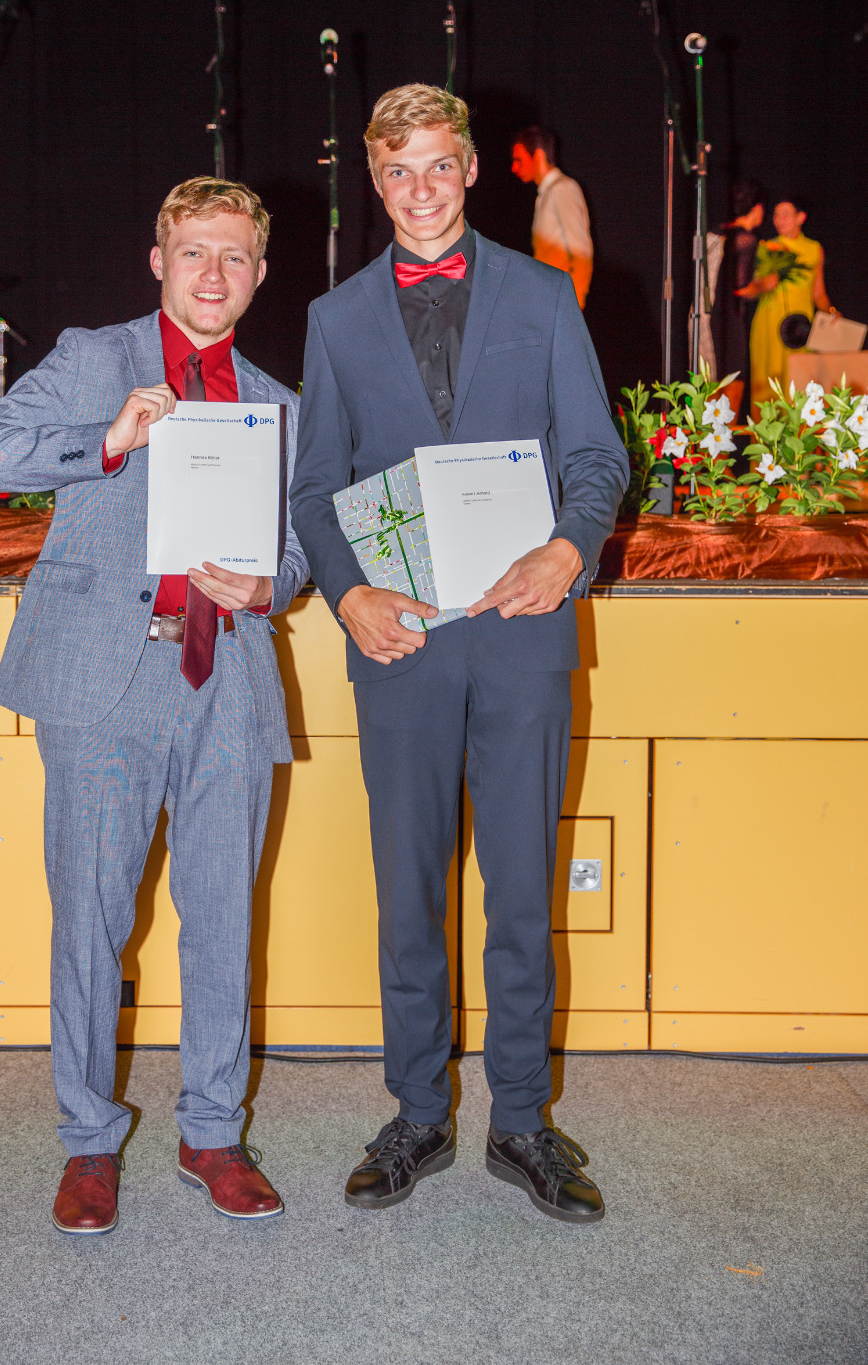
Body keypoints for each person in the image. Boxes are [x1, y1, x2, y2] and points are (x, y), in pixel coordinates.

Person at [291, 85, 628, 1223]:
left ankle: (522, 1120)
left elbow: (595, 458)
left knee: (521, 893)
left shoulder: (543, 293)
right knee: (407, 896)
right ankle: (418, 1112)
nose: (421, 189)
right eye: (399, 171)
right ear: (374, 181)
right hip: (400, 645)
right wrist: (347, 596)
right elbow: (313, 490)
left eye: (439, 165)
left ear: (473, 169)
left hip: (525, 635)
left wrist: (566, 551)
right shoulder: (335, 317)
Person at [0, 177, 307, 1234]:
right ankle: (88, 1142)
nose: (212, 273)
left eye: (234, 256)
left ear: (259, 274)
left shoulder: (279, 403)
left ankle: (212, 1133)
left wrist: (271, 584)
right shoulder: (93, 359)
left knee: (223, 917)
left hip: (226, 678)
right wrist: (108, 439)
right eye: (194, 251)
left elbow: (298, 548)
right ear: (158, 260)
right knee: (91, 920)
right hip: (101, 680)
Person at [737, 195, 836, 412]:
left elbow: (818, 292)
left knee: (800, 387)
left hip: (800, 328)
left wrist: (831, 312)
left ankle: (799, 433)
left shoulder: (813, 248)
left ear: (801, 217)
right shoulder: (766, 247)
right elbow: (749, 288)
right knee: (768, 389)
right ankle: (766, 434)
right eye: (776, 215)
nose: (779, 220)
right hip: (769, 325)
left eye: (785, 214)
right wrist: (764, 284)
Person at [510, 125, 594, 307]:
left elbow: (581, 253)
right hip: (547, 299)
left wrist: (573, 307)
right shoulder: (546, 194)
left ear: (538, 156)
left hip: (558, 303)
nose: (514, 167)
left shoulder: (562, 189)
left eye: (519, 160)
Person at [711, 180, 766, 407]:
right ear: (757, 209)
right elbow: (741, 288)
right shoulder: (746, 239)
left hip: (707, 313)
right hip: (729, 316)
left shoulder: (718, 232)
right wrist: (764, 285)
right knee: (734, 378)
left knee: (711, 377)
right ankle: (725, 428)